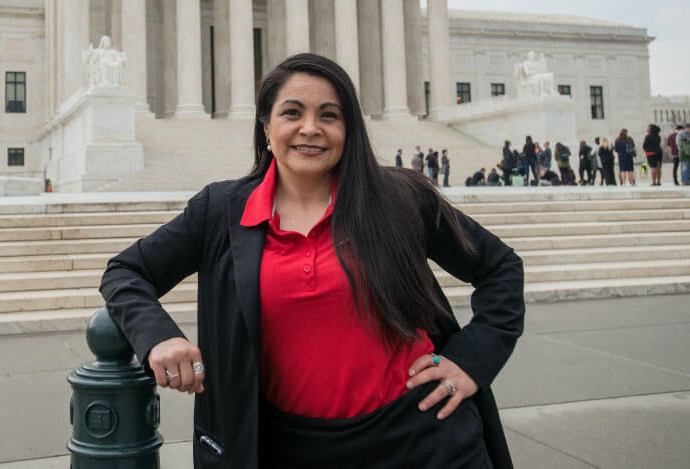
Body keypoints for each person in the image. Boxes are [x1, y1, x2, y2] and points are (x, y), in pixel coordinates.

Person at [100, 53, 524, 468]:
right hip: (288, 446)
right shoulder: (220, 210)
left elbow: (500, 267)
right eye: (292, 112)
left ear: (348, 129)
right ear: (266, 126)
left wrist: (472, 360)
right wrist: (159, 336)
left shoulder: (401, 199)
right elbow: (126, 271)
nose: (310, 128)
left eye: (329, 115)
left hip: (423, 438)